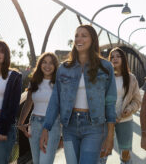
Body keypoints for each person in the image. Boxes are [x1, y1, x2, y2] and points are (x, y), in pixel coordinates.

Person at [39, 25, 117, 164]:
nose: (79, 39)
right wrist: (46, 127)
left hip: (94, 126)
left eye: (84, 35)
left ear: (92, 40)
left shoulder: (105, 67)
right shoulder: (64, 68)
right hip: (70, 126)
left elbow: (110, 101)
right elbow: (55, 100)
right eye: (76, 35)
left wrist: (110, 135)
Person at [99, 47, 141, 164]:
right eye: (112, 56)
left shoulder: (131, 78)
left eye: (118, 56)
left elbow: (137, 100)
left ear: (123, 59)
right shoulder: (104, 77)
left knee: (125, 155)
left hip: (125, 120)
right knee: (102, 153)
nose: (115, 58)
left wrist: (129, 109)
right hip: (106, 121)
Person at [17, 52, 61, 164]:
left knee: (45, 161)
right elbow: (28, 103)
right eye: (44, 62)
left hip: (52, 125)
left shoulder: (59, 83)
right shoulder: (34, 82)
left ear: (55, 66)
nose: (47, 65)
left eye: (51, 63)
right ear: (40, 64)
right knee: (37, 161)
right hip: (34, 123)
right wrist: (21, 123)